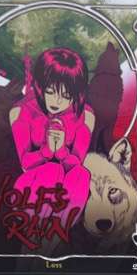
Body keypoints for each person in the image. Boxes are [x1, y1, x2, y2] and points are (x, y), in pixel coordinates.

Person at [9, 47, 94, 222]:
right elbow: (25, 164)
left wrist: (61, 151)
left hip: (67, 194)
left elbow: (77, 163)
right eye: (50, 92)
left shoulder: (85, 116)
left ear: (76, 95)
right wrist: (47, 151)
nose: (57, 101)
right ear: (40, 87)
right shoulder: (21, 112)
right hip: (31, 190)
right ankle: (34, 226)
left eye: (66, 95)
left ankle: (59, 230)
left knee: (82, 174)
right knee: (52, 169)